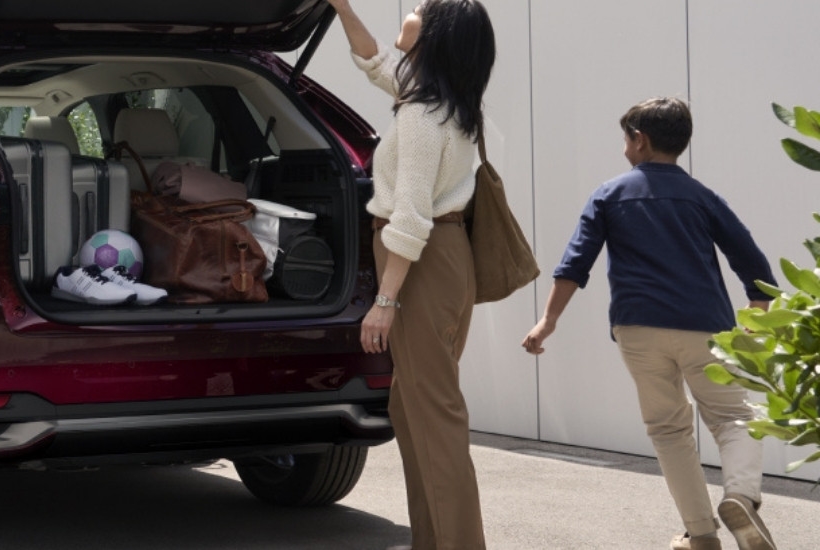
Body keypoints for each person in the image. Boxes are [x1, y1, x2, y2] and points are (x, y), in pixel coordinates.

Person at [522, 97, 776, 550]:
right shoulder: (702, 197)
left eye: (625, 139)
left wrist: (548, 321)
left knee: (668, 429)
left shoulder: (608, 193)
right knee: (735, 416)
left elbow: (574, 264)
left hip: (637, 329)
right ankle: (740, 495)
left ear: (640, 140)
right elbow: (751, 261)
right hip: (705, 327)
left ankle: (701, 535)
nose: (623, 149)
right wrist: (757, 317)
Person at [327, 1, 496, 547]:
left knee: (434, 415)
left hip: (421, 264)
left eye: (421, 6)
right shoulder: (431, 100)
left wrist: (386, 300)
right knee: (412, 407)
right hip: (438, 260)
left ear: (436, 34)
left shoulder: (423, 117)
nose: (413, 6)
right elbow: (374, 60)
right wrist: (340, 7)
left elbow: (411, 218)